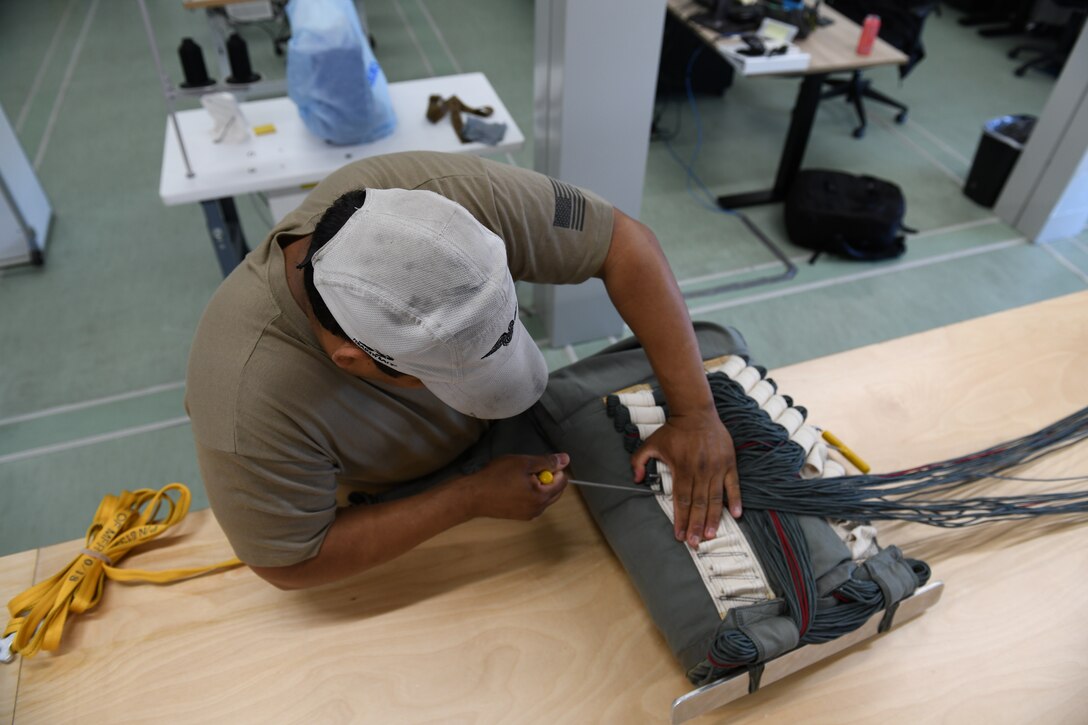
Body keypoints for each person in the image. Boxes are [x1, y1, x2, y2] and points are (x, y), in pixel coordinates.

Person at [186, 151, 739, 590]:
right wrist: (467, 500)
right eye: (449, 374)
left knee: (712, 354)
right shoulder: (243, 392)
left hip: (498, 453)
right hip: (403, 494)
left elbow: (624, 244)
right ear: (352, 361)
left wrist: (694, 413)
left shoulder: (440, 198)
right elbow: (289, 563)